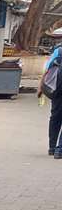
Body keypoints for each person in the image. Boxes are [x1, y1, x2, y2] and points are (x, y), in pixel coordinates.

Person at [39, 30, 62, 159]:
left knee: (55, 117)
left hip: (57, 88)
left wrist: (41, 87)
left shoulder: (58, 51)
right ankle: (59, 150)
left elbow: (47, 69)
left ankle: (52, 147)